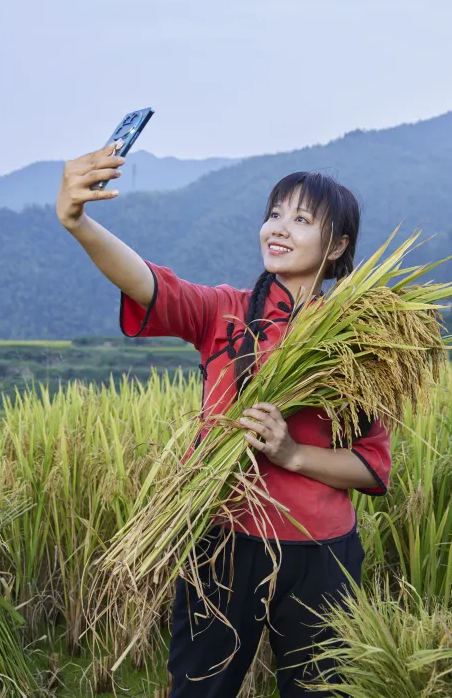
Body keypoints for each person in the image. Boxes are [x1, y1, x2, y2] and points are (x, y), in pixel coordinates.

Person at [55, 141, 391, 697]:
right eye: (274, 214)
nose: (278, 228)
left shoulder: (358, 343)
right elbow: (147, 283)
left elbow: (372, 467)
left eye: (302, 219)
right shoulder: (224, 312)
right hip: (222, 540)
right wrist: (78, 223)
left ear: (337, 246)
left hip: (321, 553)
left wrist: (292, 454)